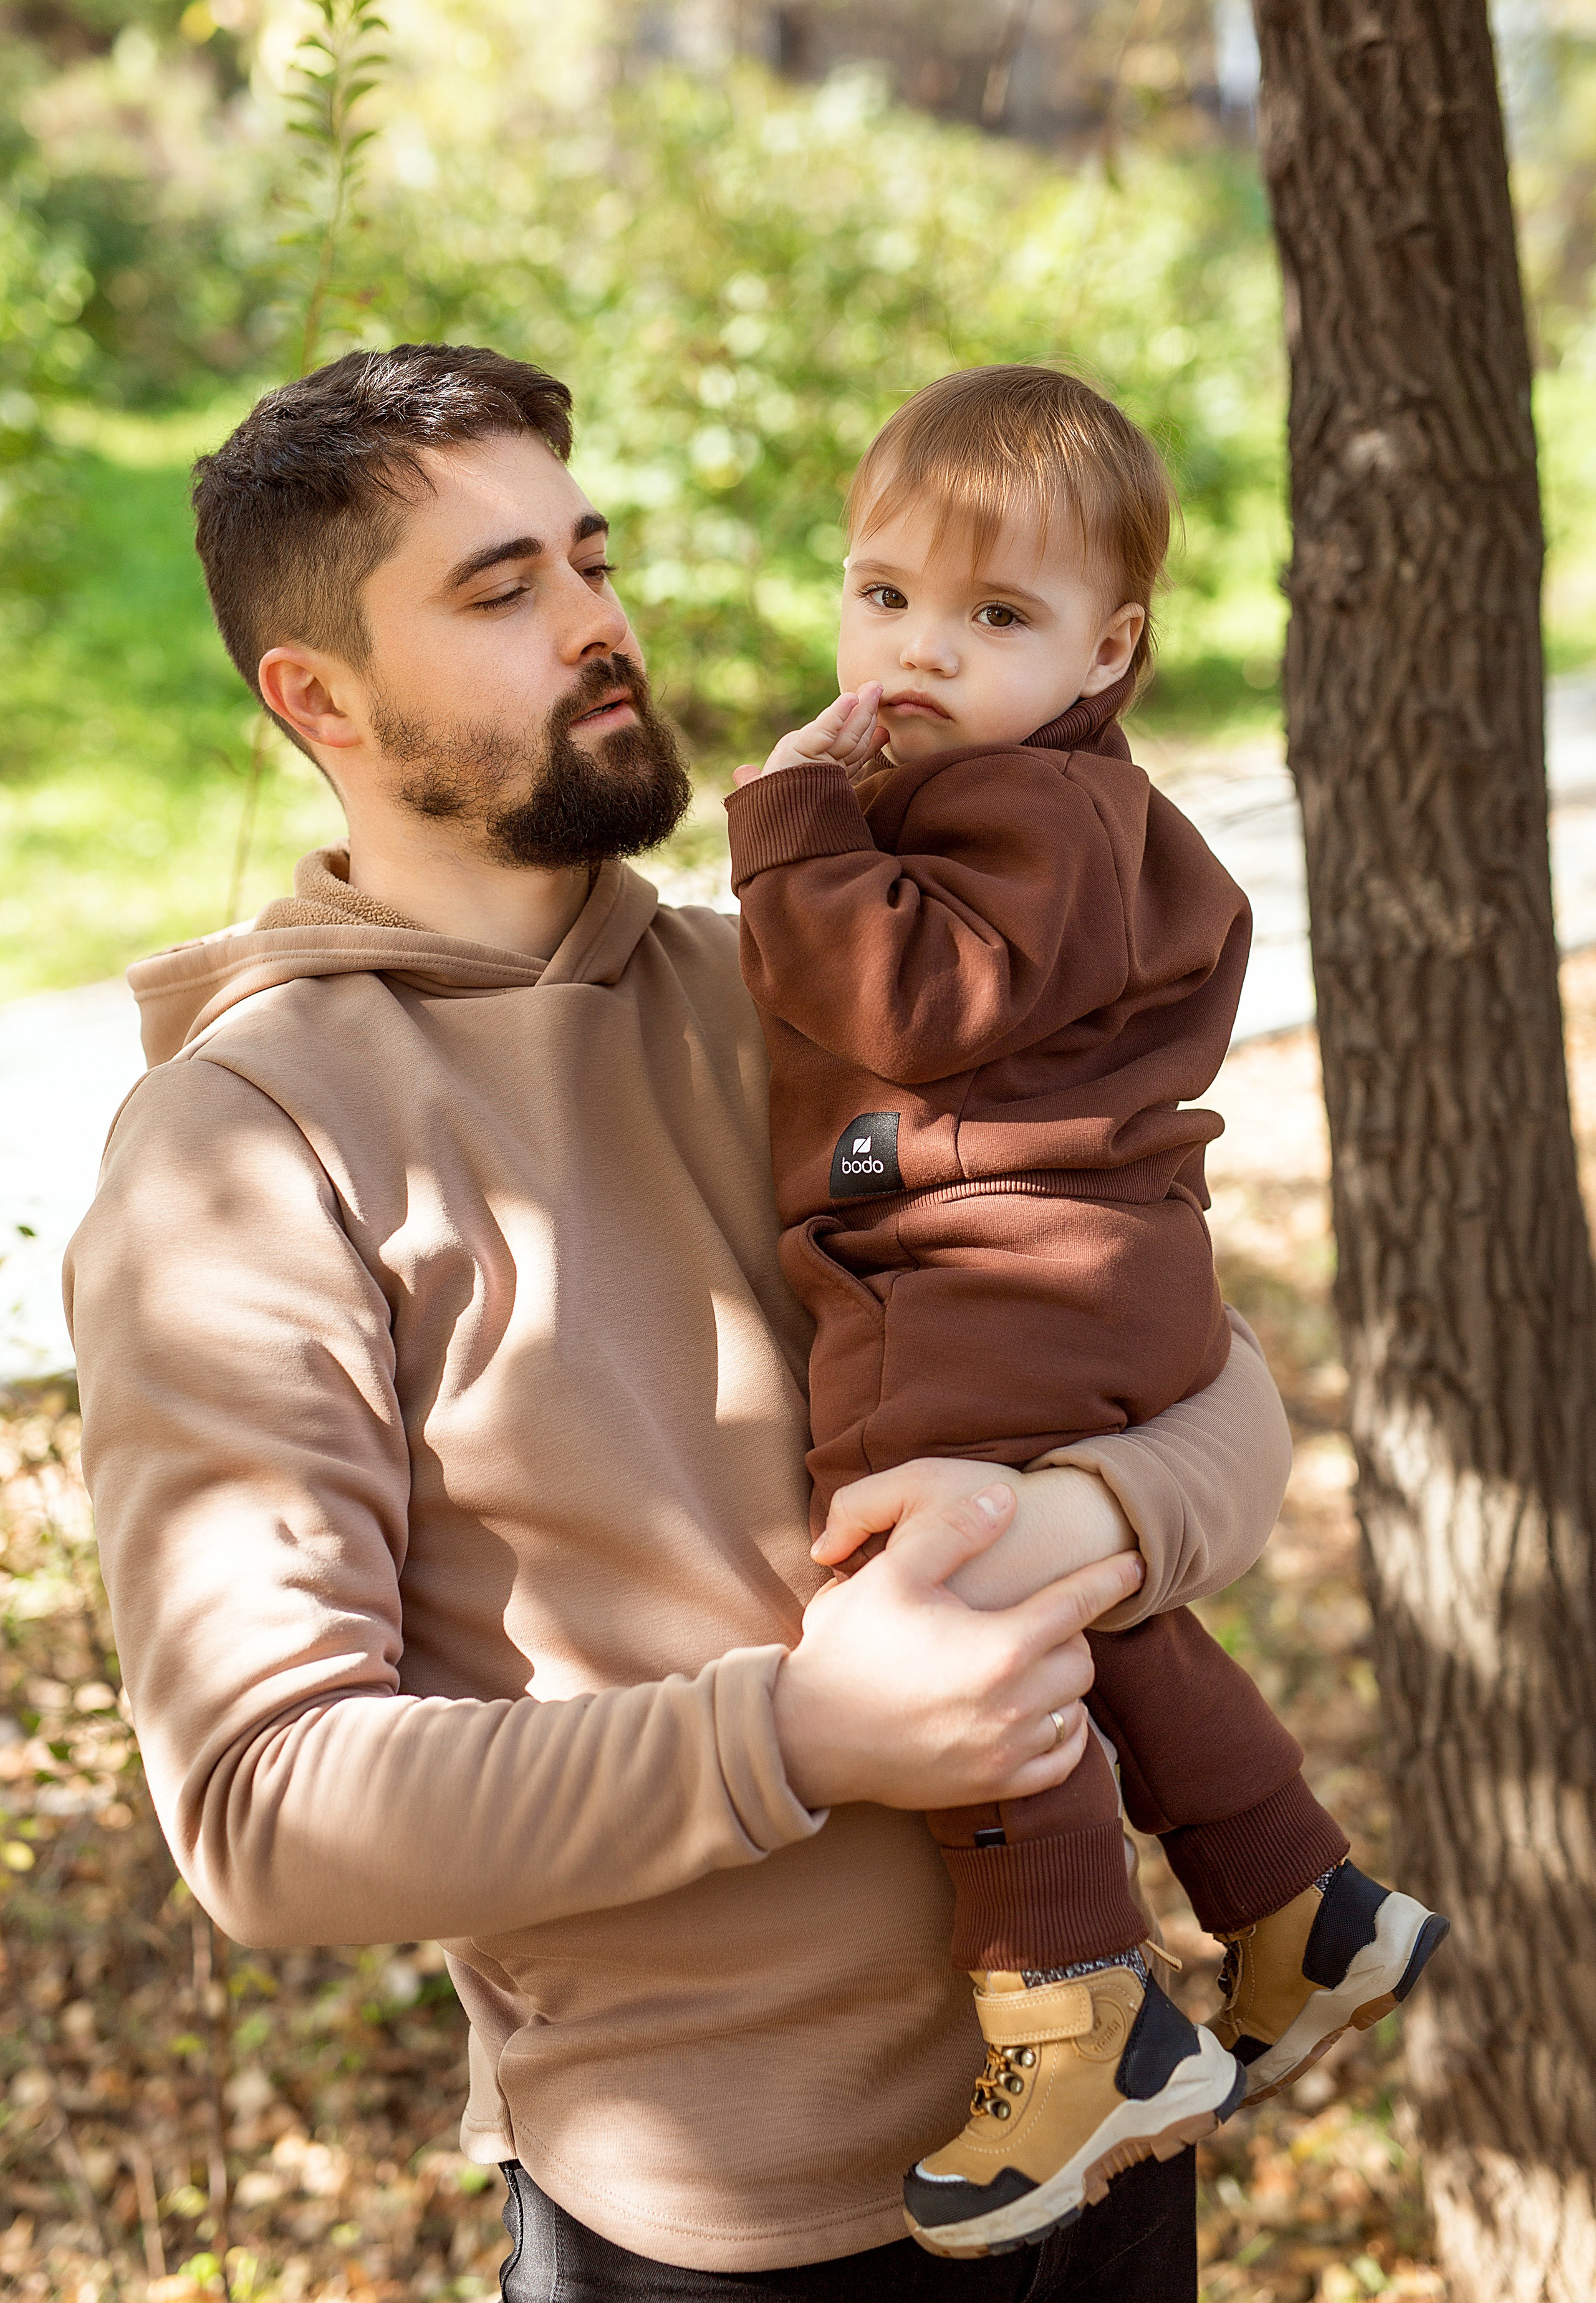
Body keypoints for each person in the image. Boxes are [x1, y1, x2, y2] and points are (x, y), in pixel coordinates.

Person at [68, 344, 1298, 2301]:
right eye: (501, 592)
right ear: (317, 698)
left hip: (1102, 2132)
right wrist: (805, 1731)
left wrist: (1092, 1529)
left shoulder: (824, 984)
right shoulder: (243, 1150)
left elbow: (1223, 1404)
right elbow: (264, 1808)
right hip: (716, 2233)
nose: (597, 628)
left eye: (590, 557)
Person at [726, 365, 1449, 2262]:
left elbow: (918, 1007)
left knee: (933, 1601)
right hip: (1093, 1277)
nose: (919, 653)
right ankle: (1301, 1903)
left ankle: (1077, 2003)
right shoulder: (1060, 798)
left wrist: (796, 819)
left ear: (1108, 646)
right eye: (884, 596)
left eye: (995, 617)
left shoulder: (1028, 807)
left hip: (985, 1268)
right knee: (1085, 1611)